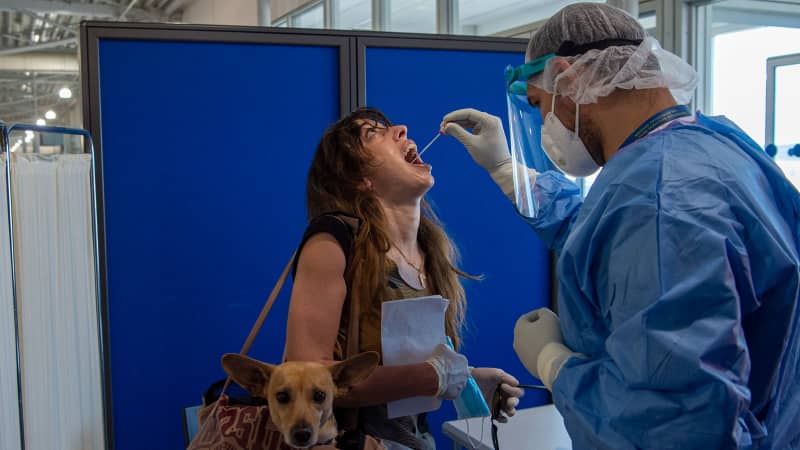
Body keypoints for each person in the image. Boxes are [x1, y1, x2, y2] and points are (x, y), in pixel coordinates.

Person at [441, 3, 800, 449]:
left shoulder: (659, 198)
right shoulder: (711, 146)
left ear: (569, 79)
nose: (543, 125)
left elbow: (673, 426)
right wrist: (507, 172)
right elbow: (616, 250)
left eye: (538, 105)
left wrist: (553, 362)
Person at [283, 107, 524, 450]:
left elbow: (400, 372)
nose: (402, 129)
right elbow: (306, 380)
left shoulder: (430, 254)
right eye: (373, 133)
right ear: (358, 179)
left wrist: (467, 384)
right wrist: (436, 377)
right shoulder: (332, 242)